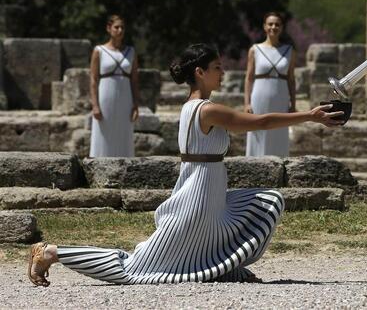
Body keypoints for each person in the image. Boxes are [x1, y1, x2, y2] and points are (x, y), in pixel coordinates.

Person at [28, 44, 343, 287]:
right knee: (135, 268)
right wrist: (309, 116)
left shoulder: (194, 107)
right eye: (217, 68)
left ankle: (222, 268)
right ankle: (52, 253)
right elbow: (258, 121)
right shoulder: (206, 109)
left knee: (261, 203)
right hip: (197, 196)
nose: (222, 73)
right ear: (200, 72)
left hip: (208, 189)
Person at [244, 12, 296, 157]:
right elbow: (248, 78)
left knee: (279, 131)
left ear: (282, 28)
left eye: (277, 24)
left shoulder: (289, 50)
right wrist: (247, 103)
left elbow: (291, 79)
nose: (274, 27)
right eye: (270, 24)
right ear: (265, 27)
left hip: (281, 96)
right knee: (257, 130)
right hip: (259, 95)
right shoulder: (255, 49)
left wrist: (293, 103)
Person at [89, 14, 139, 158]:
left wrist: (136, 105)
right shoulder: (99, 51)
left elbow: (135, 80)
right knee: (104, 130)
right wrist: (95, 105)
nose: (120, 30)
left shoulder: (131, 52)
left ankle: (125, 167)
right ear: (109, 28)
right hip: (105, 95)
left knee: (124, 131)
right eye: (116, 27)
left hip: (126, 97)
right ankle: (98, 163)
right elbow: (93, 78)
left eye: (122, 27)